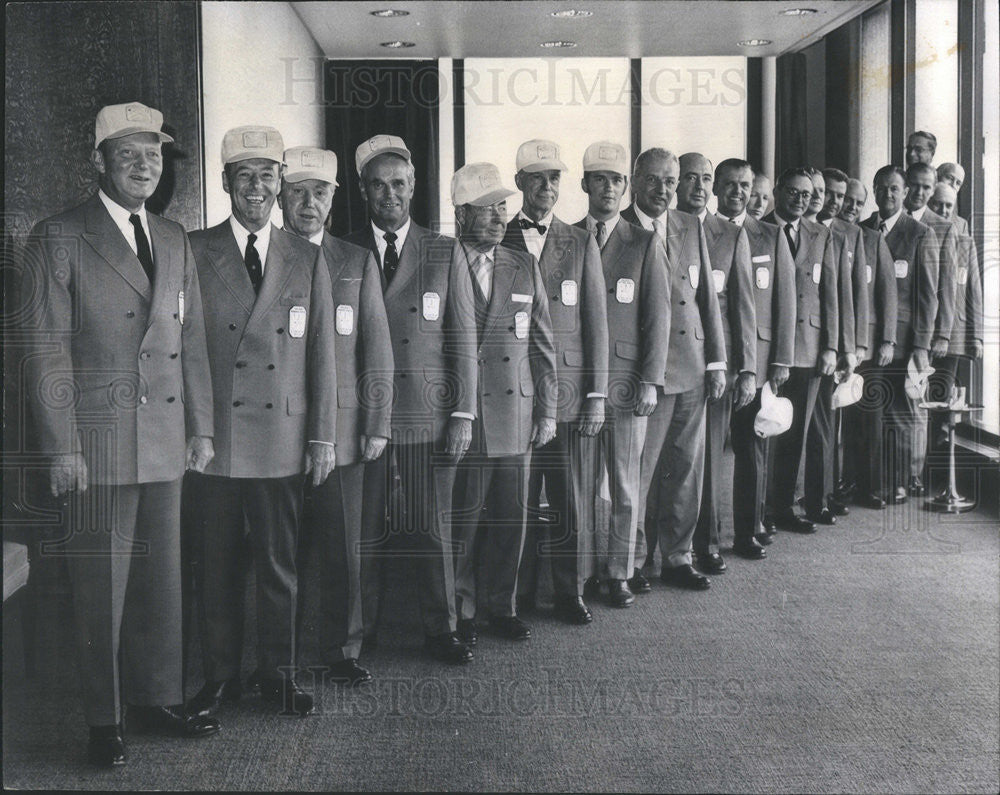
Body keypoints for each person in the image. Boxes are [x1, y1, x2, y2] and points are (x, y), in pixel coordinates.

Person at [22, 101, 219, 766]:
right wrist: (61, 446)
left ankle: (157, 695)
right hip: (97, 446)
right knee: (99, 589)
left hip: (164, 436)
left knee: (163, 582)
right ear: (99, 160)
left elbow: (190, 342)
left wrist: (202, 428)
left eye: (154, 153)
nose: (145, 165)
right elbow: (45, 350)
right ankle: (104, 719)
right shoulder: (59, 236)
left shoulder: (173, 236)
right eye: (129, 153)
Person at [185, 126, 338, 718]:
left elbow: (321, 353)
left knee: (280, 566)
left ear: (279, 184)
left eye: (266, 175)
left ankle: (276, 674)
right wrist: (195, 430)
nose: (256, 186)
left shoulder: (307, 255)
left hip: (282, 437)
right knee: (217, 567)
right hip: (217, 440)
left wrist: (322, 435)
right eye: (244, 175)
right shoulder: (195, 251)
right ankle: (220, 678)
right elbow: (188, 350)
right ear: (225, 182)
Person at [344, 135, 478, 665]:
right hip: (363, 415)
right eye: (377, 185)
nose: (389, 195)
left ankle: (440, 628)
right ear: (362, 191)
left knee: (432, 528)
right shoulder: (344, 251)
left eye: (398, 183)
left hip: (427, 413)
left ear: (414, 186)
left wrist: (462, 413)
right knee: (364, 530)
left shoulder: (445, 251)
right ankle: (359, 632)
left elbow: (462, 338)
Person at [278, 146, 393, 687]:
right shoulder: (264, 257)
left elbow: (377, 351)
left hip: (345, 432)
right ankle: (280, 653)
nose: (308, 202)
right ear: (281, 193)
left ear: (333, 199)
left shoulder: (355, 260)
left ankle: (342, 647)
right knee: (282, 550)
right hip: (276, 431)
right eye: (298, 189)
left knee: (342, 546)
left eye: (320, 192)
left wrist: (376, 423)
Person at [450, 162, 558, 643]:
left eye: (501, 207)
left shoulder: (523, 265)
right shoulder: (441, 263)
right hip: (466, 415)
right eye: (486, 209)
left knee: (511, 519)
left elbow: (543, 345)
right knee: (464, 521)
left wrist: (549, 409)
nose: (498, 217)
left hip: (516, 414)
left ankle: (502, 605)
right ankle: (461, 610)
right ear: (460, 215)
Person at [503, 139, 609, 626]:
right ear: (520, 181)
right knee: (515, 502)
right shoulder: (497, 236)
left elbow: (596, 324)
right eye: (538, 178)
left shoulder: (581, 241)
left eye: (555, 179)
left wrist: (596, 395)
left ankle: (570, 591)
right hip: (511, 397)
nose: (547, 187)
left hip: (566, 398)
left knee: (569, 499)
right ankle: (515, 595)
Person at [621, 147, 727, 591]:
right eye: (654, 180)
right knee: (641, 471)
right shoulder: (618, 228)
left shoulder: (688, 225)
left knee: (686, 468)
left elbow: (708, 303)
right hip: (645, 372)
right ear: (635, 179)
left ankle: (678, 556)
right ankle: (637, 559)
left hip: (693, 366)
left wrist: (718, 361)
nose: (663, 190)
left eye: (671, 181)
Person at [573, 141, 670, 605]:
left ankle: (619, 571)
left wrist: (651, 378)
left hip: (630, 383)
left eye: (616, 181)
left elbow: (658, 317)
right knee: (586, 483)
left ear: (624, 187)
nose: (608, 188)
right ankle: (587, 568)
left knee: (626, 481)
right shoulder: (568, 238)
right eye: (599, 179)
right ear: (585, 184)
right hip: (580, 385)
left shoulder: (644, 242)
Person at [675, 153, 758, 571]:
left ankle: (704, 545)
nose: (699, 187)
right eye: (690, 178)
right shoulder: (655, 229)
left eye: (705, 179)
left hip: (715, 367)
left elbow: (743, 308)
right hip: (669, 364)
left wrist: (746, 370)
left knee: (707, 460)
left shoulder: (728, 235)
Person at [713, 158, 796, 551]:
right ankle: (705, 537)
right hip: (710, 359)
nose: (739, 193)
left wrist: (780, 360)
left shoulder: (769, 235)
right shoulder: (699, 231)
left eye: (745, 185)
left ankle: (747, 529)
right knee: (707, 453)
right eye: (730, 184)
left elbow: (785, 302)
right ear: (717, 188)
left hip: (758, 361)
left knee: (750, 449)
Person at [763, 167, 840, 534]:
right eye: (792, 192)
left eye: (806, 195)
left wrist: (832, 347)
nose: (799, 199)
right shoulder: (755, 228)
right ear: (777, 191)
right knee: (761, 432)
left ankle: (782, 508)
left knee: (796, 433)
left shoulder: (821, 235)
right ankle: (756, 510)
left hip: (808, 347)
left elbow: (831, 296)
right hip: (765, 348)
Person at [861, 165, 939, 504]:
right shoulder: (862, 230)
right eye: (882, 188)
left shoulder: (919, 233)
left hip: (906, 342)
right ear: (874, 191)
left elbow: (929, 296)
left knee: (903, 414)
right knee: (872, 412)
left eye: (894, 189)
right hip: (869, 338)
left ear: (905, 193)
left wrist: (922, 346)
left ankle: (904, 480)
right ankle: (871, 480)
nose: (888, 195)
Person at [837, 178, 899, 509]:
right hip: (835, 341)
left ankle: (869, 486)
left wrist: (887, 340)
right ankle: (841, 482)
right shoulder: (829, 234)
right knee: (840, 417)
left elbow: (888, 294)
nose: (852, 206)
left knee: (868, 417)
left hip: (870, 343)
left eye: (859, 202)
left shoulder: (872, 239)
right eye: (848, 199)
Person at [903, 162, 959, 496]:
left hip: (924, 331)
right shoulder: (887, 221)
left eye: (927, 188)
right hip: (890, 329)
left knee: (915, 405)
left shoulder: (943, 227)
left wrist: (942, 334)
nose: (920, 193)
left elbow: (947, 287)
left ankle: (913, 475)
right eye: (915, 185)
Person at [817, 167, 867, 517]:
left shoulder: (851, 235)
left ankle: (824, 493)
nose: (835, 201)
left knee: (827, 427)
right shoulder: (798, 226)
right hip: (806, 340)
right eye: (831, 194)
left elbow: (851, 296)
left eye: (841, 195)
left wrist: (850, 346)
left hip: (835, 343)